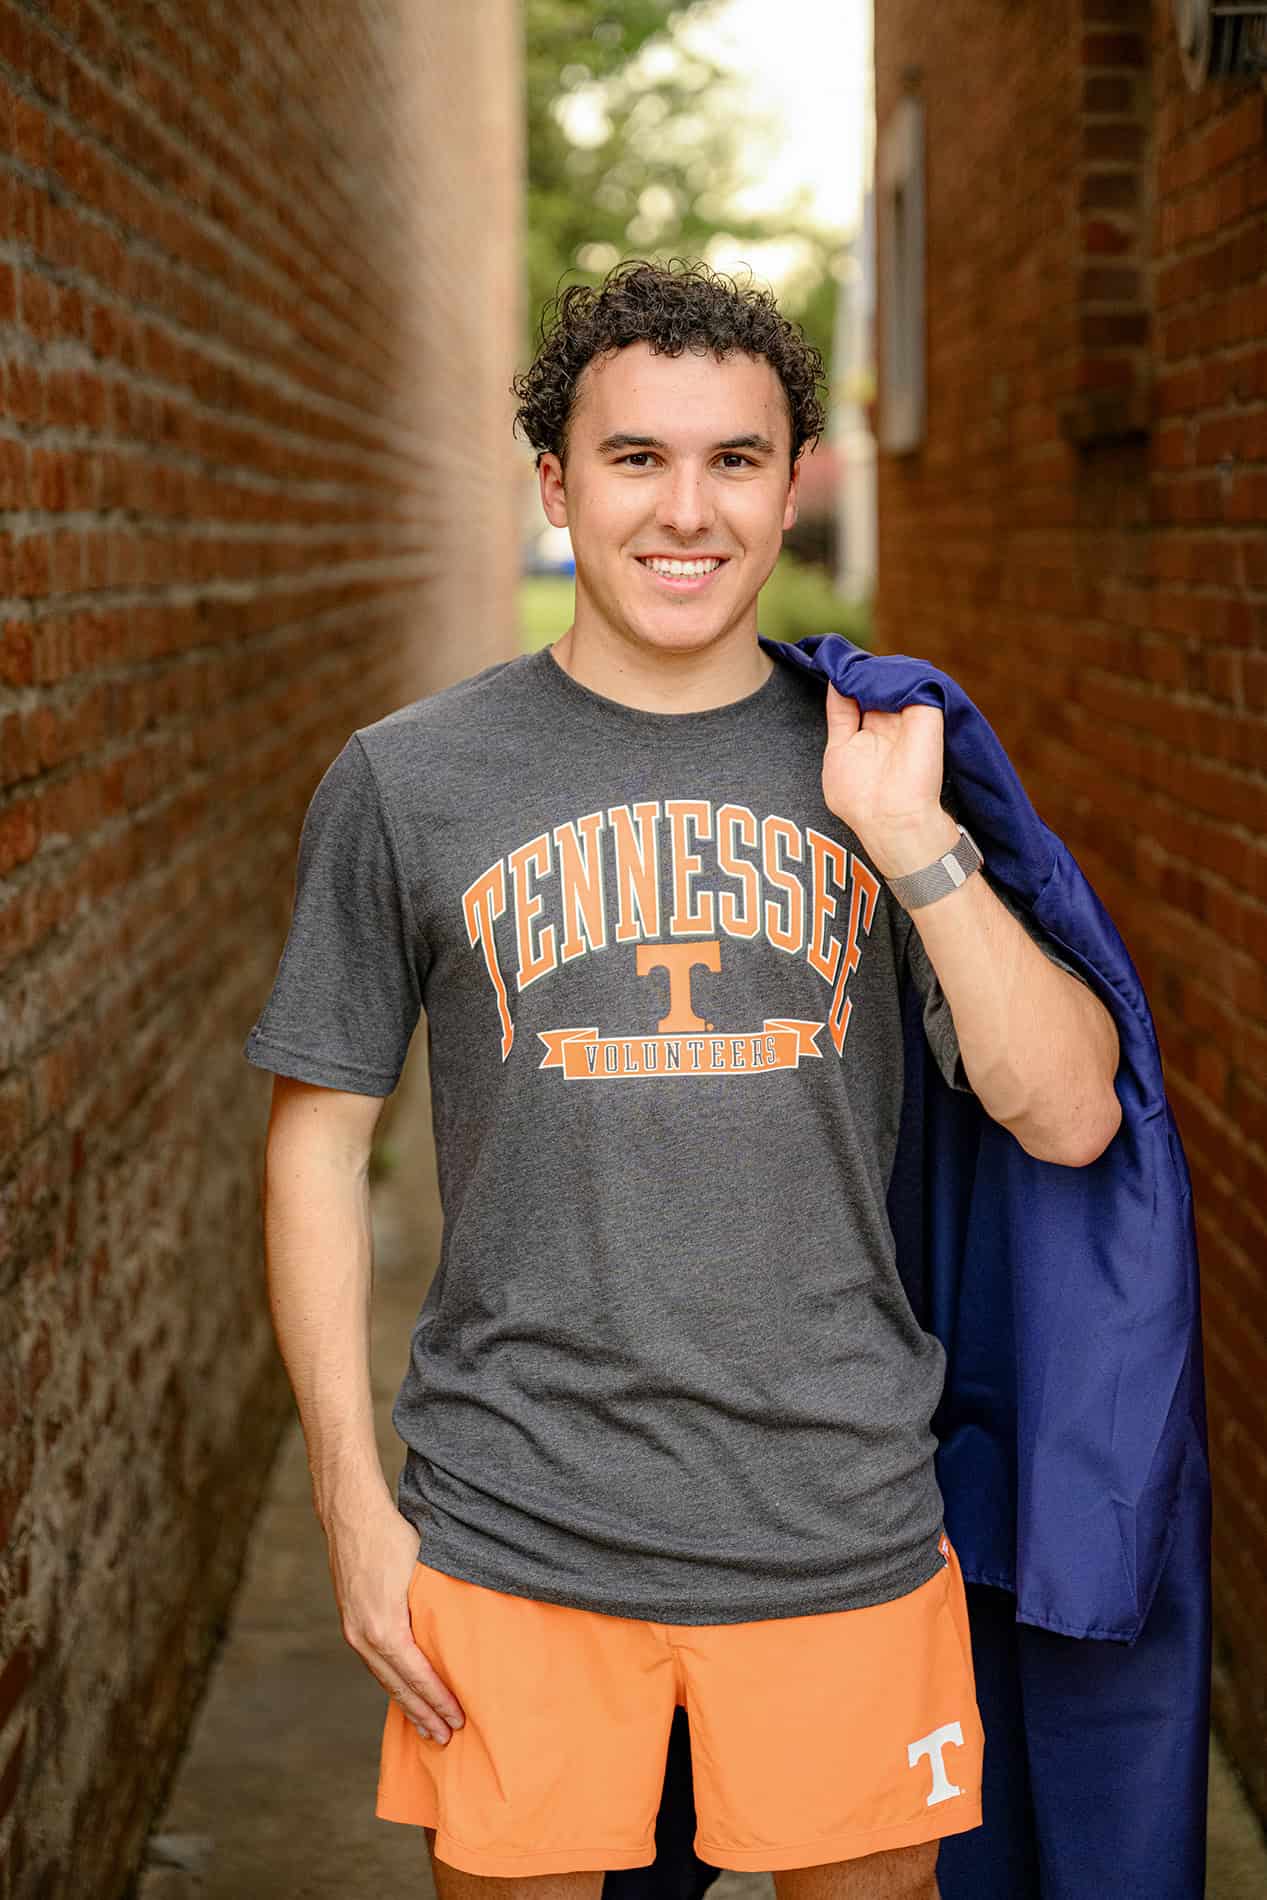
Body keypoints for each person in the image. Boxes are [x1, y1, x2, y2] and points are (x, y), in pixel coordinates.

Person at [242, 258, 1122, 1900]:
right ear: (556, 482)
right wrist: (356, 1512)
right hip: (512, 1527)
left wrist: (920, 848)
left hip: (838, 1521)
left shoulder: (883, 762)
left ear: (794, 486)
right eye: (636, 456)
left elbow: (1070, 1113)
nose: (685, 510)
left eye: (734, 459)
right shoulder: (406, 781)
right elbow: (315, 1145)